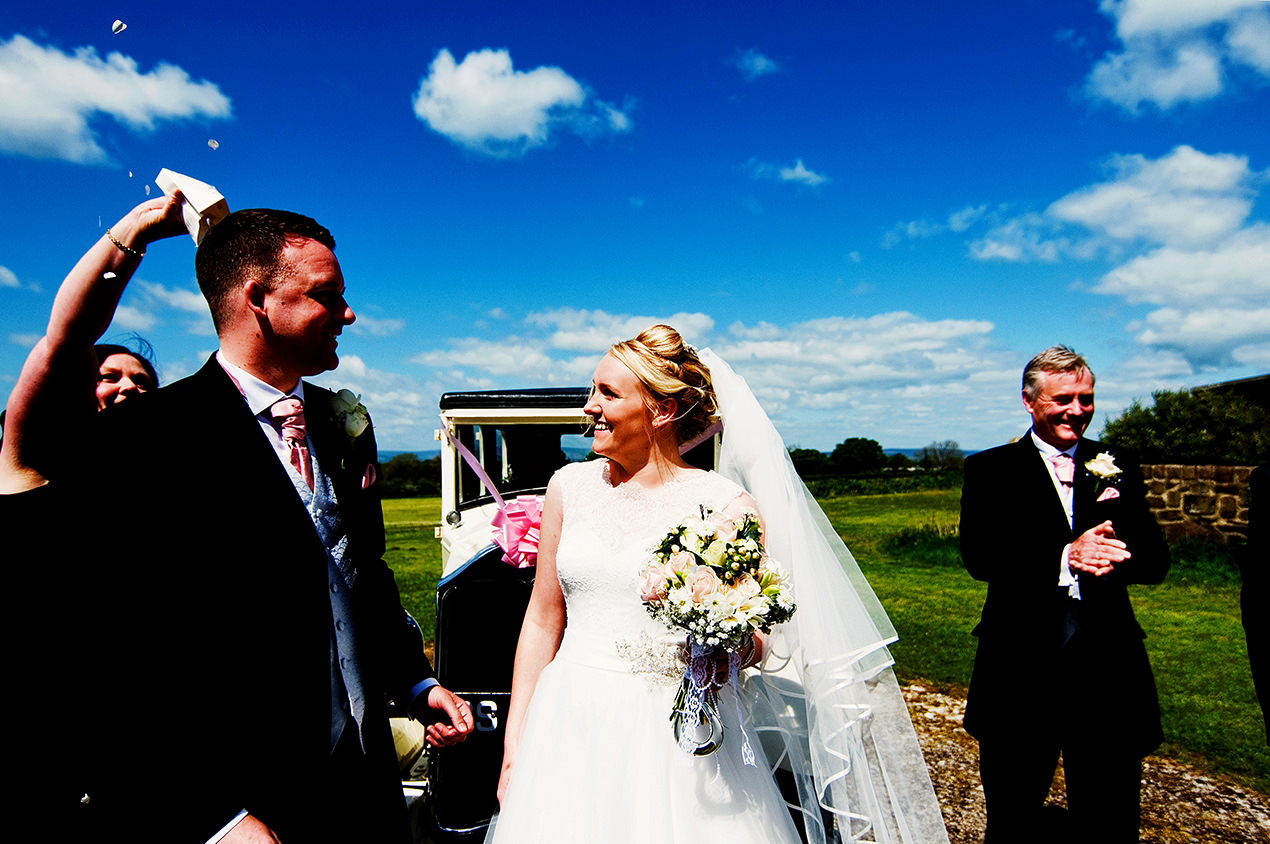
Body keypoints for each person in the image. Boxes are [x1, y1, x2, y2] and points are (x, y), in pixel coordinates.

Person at [67, 208, 473, 842]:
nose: (349, 314)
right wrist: (214, 816)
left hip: (362, 778)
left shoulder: (342, 427)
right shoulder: (145, 441)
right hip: (245, 797)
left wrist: (414, 681)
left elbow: (360, 572)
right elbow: (110, 655)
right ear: (257, 298)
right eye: (327, 296)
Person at [489, 325, 948, 844]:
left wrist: (722, 635)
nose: (589, 405)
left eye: (608, 394)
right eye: (593, 389)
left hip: (671, 732)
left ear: (660, 411)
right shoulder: (567, 487)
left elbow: (756, 640)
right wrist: (515, 744)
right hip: (569, 720)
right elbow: (542, 618)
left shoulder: (723, 504)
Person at [960, 345, 1171, 844]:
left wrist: (1120, 554)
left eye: (1086, 398)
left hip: (1107, 668)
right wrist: (1064, 557)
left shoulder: (1115, 464)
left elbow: (1156, 561)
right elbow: (981, 557)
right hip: (1020, 666)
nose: (1078, 410)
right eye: (1064, 400)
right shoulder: (990, 469)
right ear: (1030, 402)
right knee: (1012, 814)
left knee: (1111, 815)